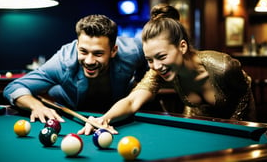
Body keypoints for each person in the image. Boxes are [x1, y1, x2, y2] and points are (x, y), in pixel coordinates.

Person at [79, 7, 256, 135]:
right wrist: (104, 119)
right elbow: (132, 101)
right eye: (149, 60)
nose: (156, 66)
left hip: (238, 125)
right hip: (196, 123)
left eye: (162, 56)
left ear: (182, 46)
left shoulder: (223, 67)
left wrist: (235, 125)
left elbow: (244, 93)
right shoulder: (159, 71)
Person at [3, 14, 148, 123]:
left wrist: (138, 83)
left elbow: (147, 64)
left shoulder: (133, 50)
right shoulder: (63, 62)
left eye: (98, 53)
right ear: (77, 45)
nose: (89, 61)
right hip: (72, 110)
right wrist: (36, 105)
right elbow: (14, 87)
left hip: (117, 113)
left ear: (113, 50)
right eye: (83, 51)